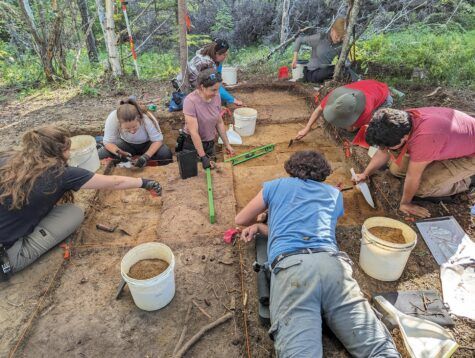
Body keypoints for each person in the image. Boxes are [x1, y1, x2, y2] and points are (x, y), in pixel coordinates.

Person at [235, 151, 399, 357]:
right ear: (323, 174)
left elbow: (241, 219)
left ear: (291, 169)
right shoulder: (334, 194)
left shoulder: (275, 185)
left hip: (293, 269)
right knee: (378, 349)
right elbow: (312, 226)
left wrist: (261, 222)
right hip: (332, 266)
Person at [0, 126, 163, 277]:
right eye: (67, 150)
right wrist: (144, 182)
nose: (70, 154)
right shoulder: (61, 174)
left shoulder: (8, 159)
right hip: (7, 258)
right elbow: (114, 182)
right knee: (73, 212)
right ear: (57, 152)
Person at [353, 107, 475, 218]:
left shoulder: (424, 139)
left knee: (420, 188)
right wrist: (366, 174)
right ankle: (437, 159)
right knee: (396, 170)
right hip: (447, 139)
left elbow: (413, 176)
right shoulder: (396, 121)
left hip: (470, 155)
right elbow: (383, 151)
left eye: (389, 146)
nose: (386, 149)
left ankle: (466, 182)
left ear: (405, 137)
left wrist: (405, 203)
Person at [295, 79, 392, 138]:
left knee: (374, 126)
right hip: (368, 85)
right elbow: (319, 109)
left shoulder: (365, 112)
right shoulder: (335, 97)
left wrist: (351, 127)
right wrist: (306, 128)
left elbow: (352, 127)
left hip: (384, 97)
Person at [181, 68, 236, 169]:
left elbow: (219, 122)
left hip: (210, 143)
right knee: (195, 174)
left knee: (212, 170)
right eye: (213, 90)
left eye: (218, 89)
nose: (216, 93)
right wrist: (202, 157)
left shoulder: (217, 96)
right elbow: (194, 132)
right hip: (193, 145)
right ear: (202, 87)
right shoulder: (190, 101)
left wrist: (227, 144)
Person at [98, 97, 173, 167]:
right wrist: (119, 153)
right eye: (127, 129)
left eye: (135, 127)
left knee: (165, 154)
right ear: (119, 123)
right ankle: (121, 162)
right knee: (100, 154)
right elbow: (108, 142)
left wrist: (146, 156)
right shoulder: (113, 117)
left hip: (147, 144)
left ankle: (149, 163)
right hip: (126, 144)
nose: (132, 131)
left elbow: (158, 140)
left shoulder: (146, 117)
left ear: (139, 119)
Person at [187, 38, 244, 106]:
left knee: (220, 94)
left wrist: (220, 80)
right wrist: (233, 100)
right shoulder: (206, 63)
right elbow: (214, 84)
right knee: (219, 99)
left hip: (202, 80)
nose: (226, 56)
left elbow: (218, 74)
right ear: (217, 53)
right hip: (193, 84)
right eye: (224, 55)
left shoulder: (213, 56)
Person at [292, 18, 346, 83]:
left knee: (341, 69)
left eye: (341, 37)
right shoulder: (320, 38)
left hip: (326, 72)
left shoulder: (341, 45)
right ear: (332, 30)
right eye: (337, 36)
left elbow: (343, 61)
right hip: (312, 73)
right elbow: (299, 40)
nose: (338, 40)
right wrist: (295, 58)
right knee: (332, 69)